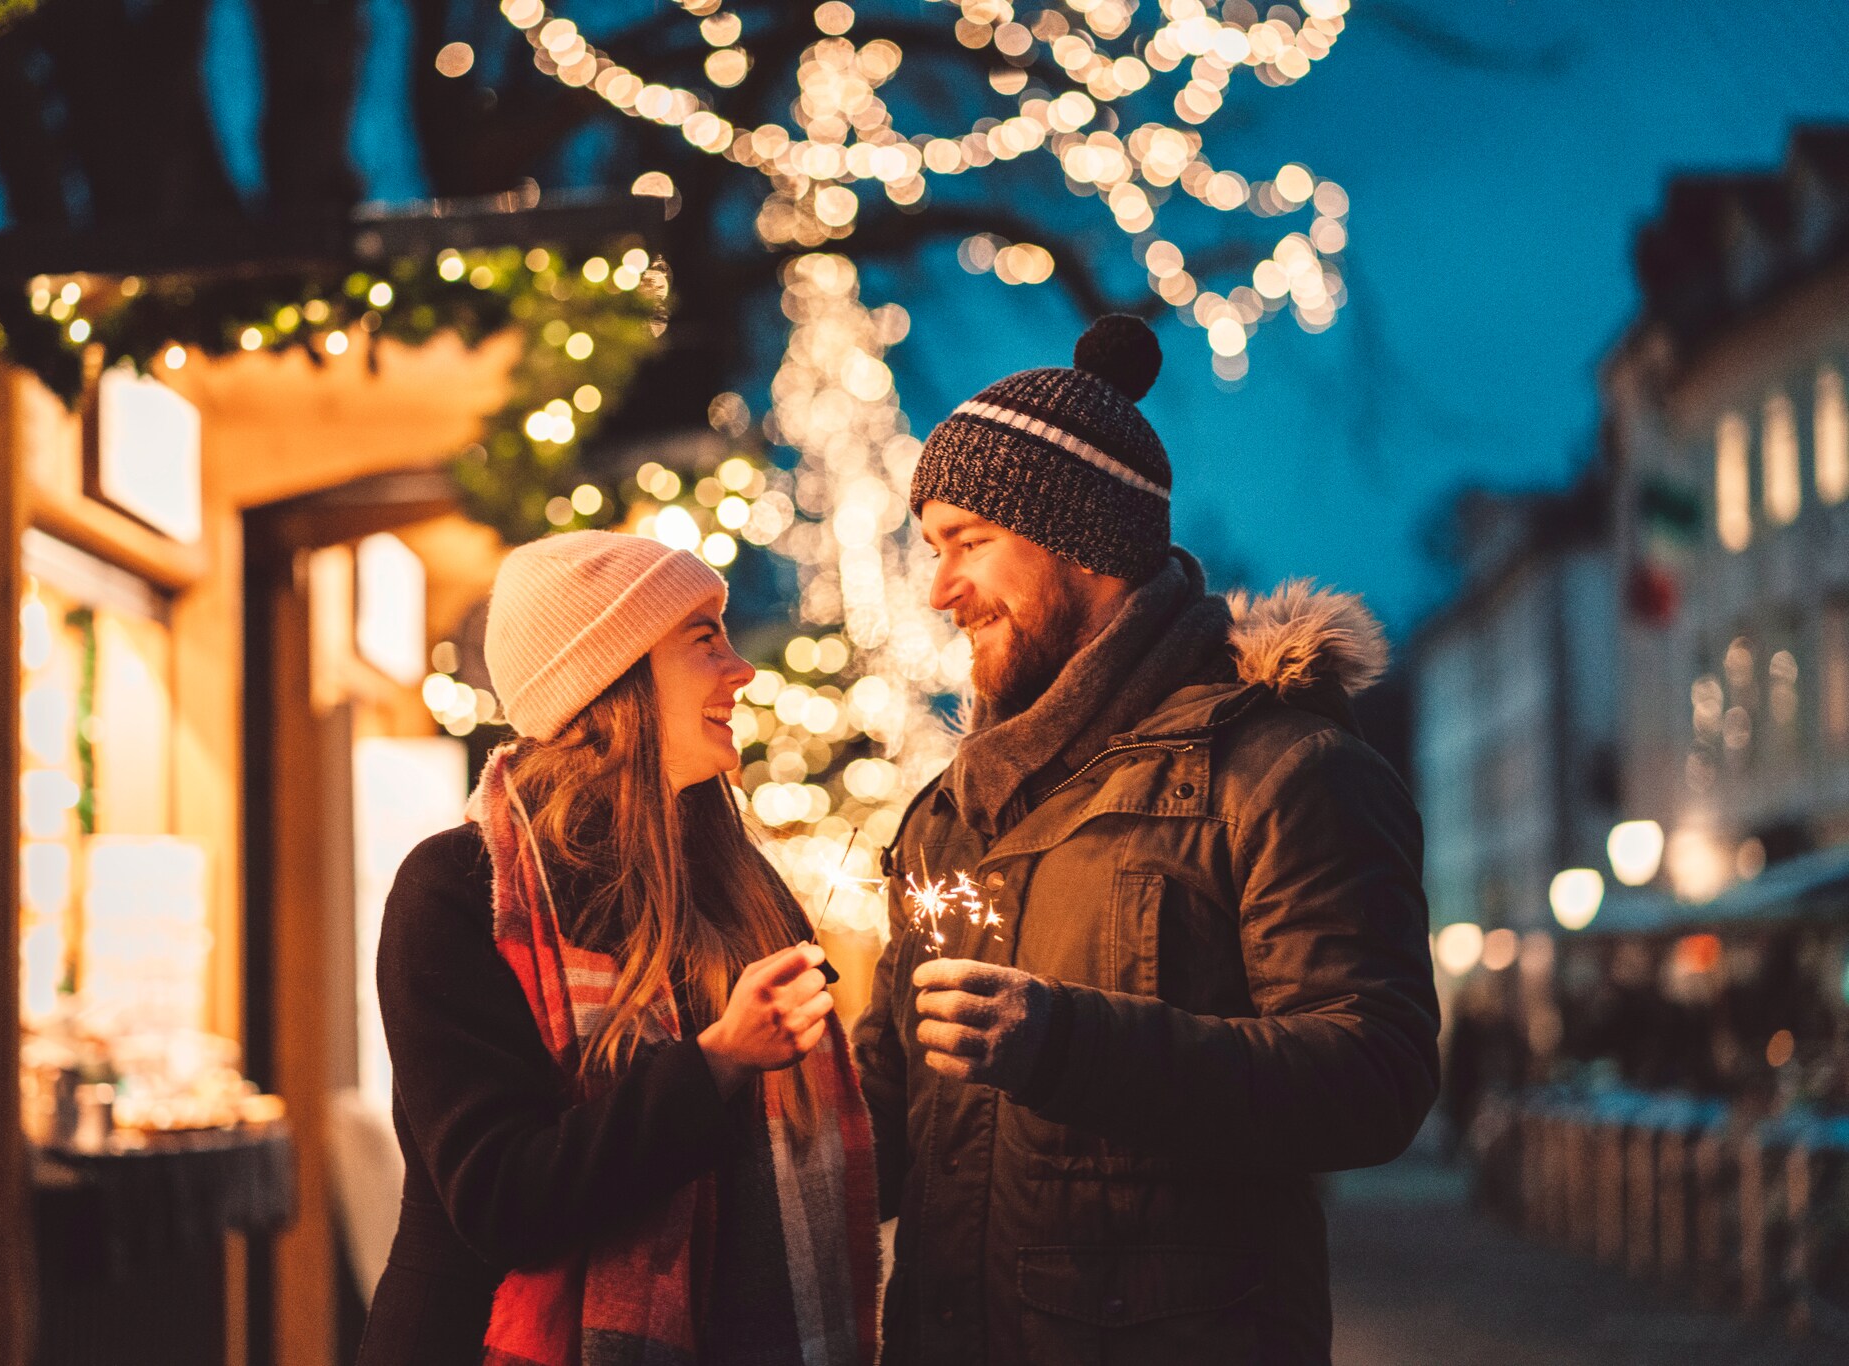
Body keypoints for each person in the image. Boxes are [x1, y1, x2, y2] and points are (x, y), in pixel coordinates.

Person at [850, 315, 1440, 1365]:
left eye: (969, 541)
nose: (938, 591)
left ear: (1082, 539)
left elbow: (1373, 1075)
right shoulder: (949, 813)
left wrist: (1071, 1046)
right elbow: (883, 1114)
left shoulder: (1280, 771)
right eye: (931, 546)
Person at [357, 531, 878, 1366]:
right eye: (705, 640)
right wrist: (716, 1063)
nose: (741, 670)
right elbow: (500, 1201)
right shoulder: (459, 888)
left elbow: (815, 1136)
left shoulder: (736, 883)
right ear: (612, 677)